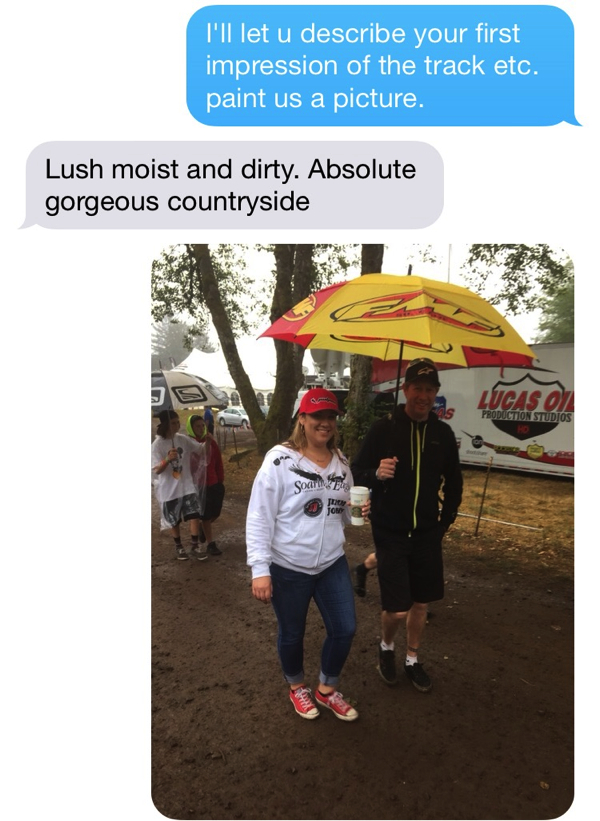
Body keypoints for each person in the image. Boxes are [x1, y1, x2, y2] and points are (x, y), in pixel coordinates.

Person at [246, 388, 370, 722]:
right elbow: (259, 516)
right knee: (292, 633)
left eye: (331, 416)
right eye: (317, 416)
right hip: (288, 566)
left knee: (345, 628)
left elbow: (343, 516)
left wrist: (357, 511)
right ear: (302, 419)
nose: (325, 422)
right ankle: (296, 686)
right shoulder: (280, 460)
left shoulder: (341, 462)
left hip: (331, 563)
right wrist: (260, 568)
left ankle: (326, 690)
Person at [351, 358, 463, 693]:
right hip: (390, 531)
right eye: (418, 388)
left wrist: (445, 521)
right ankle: (386, 646)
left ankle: (412, 659)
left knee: (421, 604)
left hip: (427, 533)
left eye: (430, 389)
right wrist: (376, 474)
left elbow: (454, 482)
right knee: (397, 609)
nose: (424, 396)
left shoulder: (442, 434)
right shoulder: (383, 429)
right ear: (405, 389)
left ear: (436, 392)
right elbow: (355, 472)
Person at [151, 410, 209, 562]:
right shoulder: (157, 445)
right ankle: (179, 546)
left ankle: (195, 545)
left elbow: (201, 449)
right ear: (165, 424)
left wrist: (208, 439)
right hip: (169, 489)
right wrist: (167, 459)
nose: (177, 425)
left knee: (194, 514)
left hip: (186, 485)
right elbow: (156, 470)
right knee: (174, 519)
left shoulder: (182, 439)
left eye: (178, 422)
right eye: (173, 423)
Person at [186, 414, 225, 556]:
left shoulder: (211, 442)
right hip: (199, 485)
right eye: (197, 426)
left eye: (203, 425)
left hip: (214, 482)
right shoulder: (189, 444)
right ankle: (210, 543)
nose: (201, 428)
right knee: (206, 516)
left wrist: (220, 479)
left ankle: (202, 527)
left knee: (216, 513)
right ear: (191, 428)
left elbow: (218, 461)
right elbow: (193, 464)